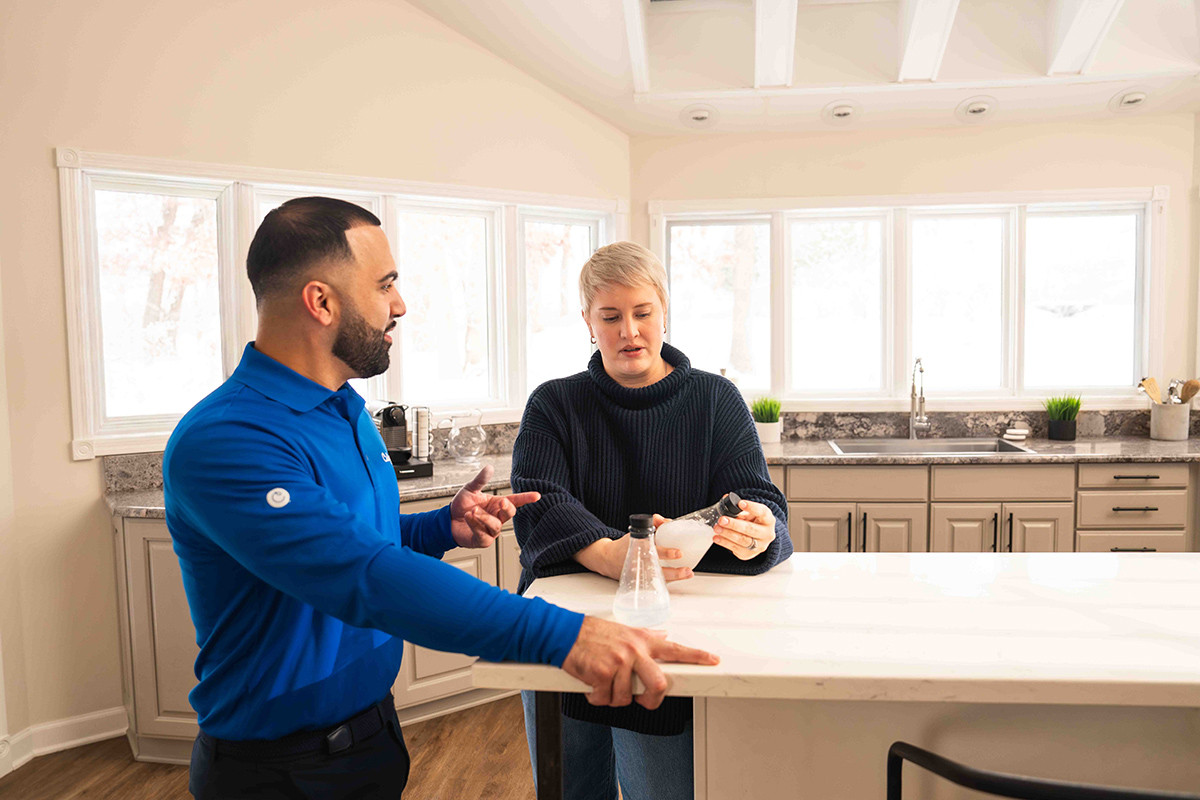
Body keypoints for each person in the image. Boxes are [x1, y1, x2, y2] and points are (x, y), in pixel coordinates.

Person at [162, 198, 719, 800]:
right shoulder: (228, 439)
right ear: (321, 302)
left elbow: (349, 538)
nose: (400, 305)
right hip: (277, 770)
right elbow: (362, 575)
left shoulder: (345, 410)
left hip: (371, 732)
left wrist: (436, 529)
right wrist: (567, 636)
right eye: (385, 285)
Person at [511, 241, 793, 800]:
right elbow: (539, 501)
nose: (629, 331)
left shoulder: (716, 399)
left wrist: (760, 531)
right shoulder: (553, 403)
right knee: (570, 789)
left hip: (674, 634)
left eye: (643, 313)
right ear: (587, 322)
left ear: (665, 311)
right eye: (610, 316)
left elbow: (763, 502)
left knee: (662, 790)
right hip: (562, 633)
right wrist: (613, 554)